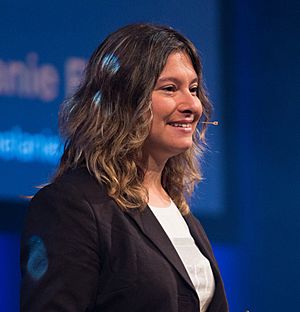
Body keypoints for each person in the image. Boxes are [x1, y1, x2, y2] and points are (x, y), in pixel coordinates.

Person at [20, 23, 228, 312]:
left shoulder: (181, 214)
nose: (192, 104)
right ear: (124, 101)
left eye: (193, 89)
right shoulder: (73, 207)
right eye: (170, 88)